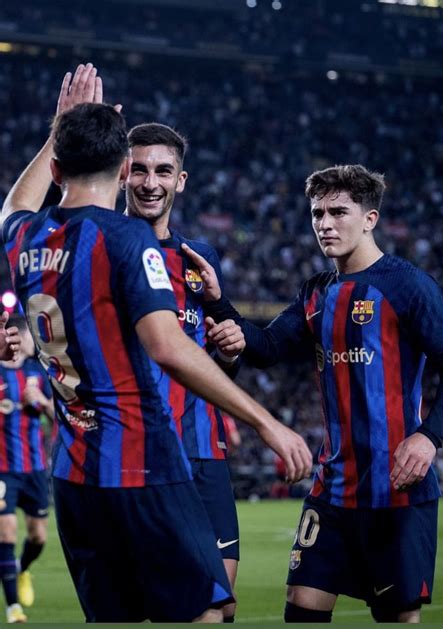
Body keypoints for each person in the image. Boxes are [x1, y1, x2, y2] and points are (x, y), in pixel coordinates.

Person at [1, 63, 312, 622]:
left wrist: (57, 126)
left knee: (115, 618)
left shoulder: (26, 237)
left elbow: (12, 207)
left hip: (73, 473)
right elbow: (168, 347)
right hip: (142, 464)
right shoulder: (127, 238)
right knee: (208, 612)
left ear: (54, 166)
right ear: (123, 170)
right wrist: (267, 422)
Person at [184, 164, 443, 623]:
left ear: (370, 219)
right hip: (332, 489)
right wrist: (219, 302)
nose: (325, 223)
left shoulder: (409, 286)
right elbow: (269, 347)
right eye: (317, 213)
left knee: (396, 616)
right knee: (301, 609)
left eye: (339, 212)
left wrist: (428, 437)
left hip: (395, 489)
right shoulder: (317, 292)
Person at [125, 122, 246, 622]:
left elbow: (217, 355)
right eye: (139, 169)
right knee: (183, 608)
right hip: (139, 455)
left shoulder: (199, 259)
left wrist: (232, 347)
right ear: (120, 175)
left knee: (224, 606)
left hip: (203, 451)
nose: (150, 182)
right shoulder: (102, 247)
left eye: (163, 171)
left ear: (181, 181)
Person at [0, 318, 53, 623]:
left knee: (38, 537)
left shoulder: (38, 374)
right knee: (5, 532)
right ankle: (12, 607)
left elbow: (59, 416)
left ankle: (23, 569)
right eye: (31, 337)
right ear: (18, 337)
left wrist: (44, 402)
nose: (35, 345)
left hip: (33, 468)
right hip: (3, 470)